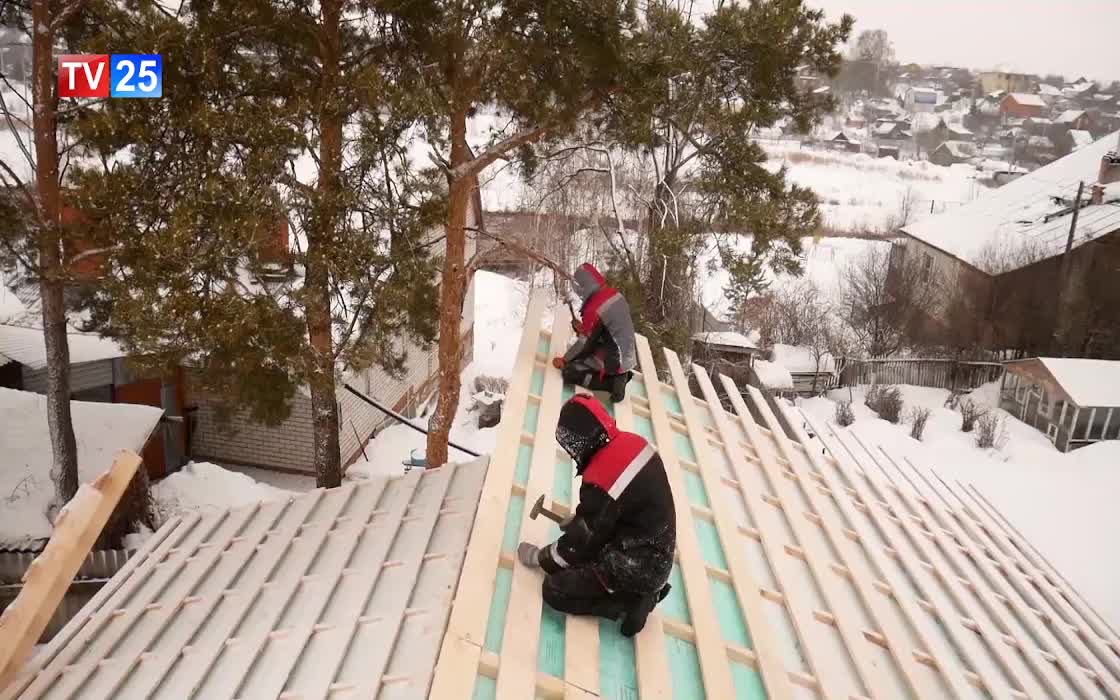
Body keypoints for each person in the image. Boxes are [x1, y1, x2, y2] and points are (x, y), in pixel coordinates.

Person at [517, 394, 675, 637]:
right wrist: (582, 523)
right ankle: (639, 591)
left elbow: (579, 546)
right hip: (653, 551)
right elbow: (619, 507)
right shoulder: (632, 443)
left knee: (555, 589)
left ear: (582, 440)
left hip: (636, 566)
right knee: (583, 558)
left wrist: (543, 558)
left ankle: (631, 603)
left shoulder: (602, 478)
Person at [552, 263, 637, 402]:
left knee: (570, 372)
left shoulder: (595, 309)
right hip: (626, 354)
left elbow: (585, 345)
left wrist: (565, 359)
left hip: (614, 361)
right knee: (584, 354)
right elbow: (607, 330)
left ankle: (611, 384)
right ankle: (620, 374)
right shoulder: (614, 294)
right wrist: (584, 329)